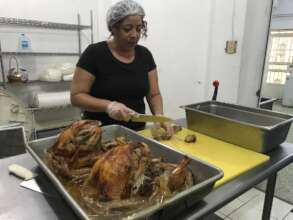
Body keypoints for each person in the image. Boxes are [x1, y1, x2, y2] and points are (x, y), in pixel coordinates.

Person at [71, 0, 172, 135]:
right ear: (113, 27)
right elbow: (77, 96)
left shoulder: (145, 55)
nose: (134, 35)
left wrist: (159, 115)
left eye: (138, 28)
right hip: (99, 133)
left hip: (137, 132)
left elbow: (154, 94)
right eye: (127, 28)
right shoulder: (94, 53)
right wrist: (108, 106)